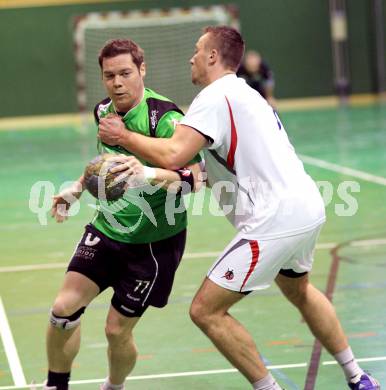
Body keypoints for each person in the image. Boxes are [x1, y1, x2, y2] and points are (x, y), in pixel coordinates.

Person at [98, 27, 380, 390]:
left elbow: (173, 153)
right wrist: (166, 177)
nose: (192, 57)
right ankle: (358, 377)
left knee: (205, 310)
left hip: (274, 218)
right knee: (300, 290)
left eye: (198, 50)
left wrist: (123, 137)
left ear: (213, 56)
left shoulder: (214, 97)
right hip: (307, 207)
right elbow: (208, 169)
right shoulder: (247, 95)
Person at [46, 38, 202, 390]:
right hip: (108, 228)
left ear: (142, 70)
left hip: (154, 244)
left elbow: (196, 180)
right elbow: (103, 168)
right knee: (62, 310)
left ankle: (114, 387)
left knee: (116, 331)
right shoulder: (104, 111)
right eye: (109, 75)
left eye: (125, 73)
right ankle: (56, 385)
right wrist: (75, 188)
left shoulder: (165, 118)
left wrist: (145, 174)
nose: (117, 83)